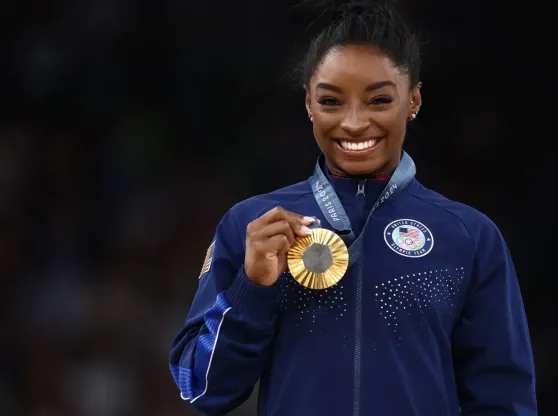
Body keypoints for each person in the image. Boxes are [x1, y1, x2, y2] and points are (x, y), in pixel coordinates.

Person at [169, 1, 537, 415]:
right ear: (309, 102)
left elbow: (504, 402)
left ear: (413, 100)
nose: (354, 123)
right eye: (331, 102)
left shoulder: (469, 237)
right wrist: (252, 287)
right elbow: (200, 388)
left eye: (379, 100)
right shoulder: (253, 227)